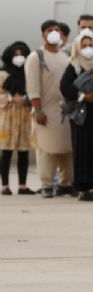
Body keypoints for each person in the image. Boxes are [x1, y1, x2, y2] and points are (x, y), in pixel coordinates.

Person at [60, 35, 93, 201]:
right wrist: (83, 96)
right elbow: (65, 88)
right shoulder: (74, 66)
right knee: (84, 149)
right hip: (83, 115)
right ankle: (84, 188)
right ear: (77, 47)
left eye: (91, 45)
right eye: (84, 45)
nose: (88, 48)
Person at [27, 20, 73, 198]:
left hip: (65, 110)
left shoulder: (65, 56)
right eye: (49, 30)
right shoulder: (36, 56)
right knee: (47, 149)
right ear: (43, 34)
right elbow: (33, 86)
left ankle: (66, 183)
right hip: (45, 109)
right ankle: (46, 184)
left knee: (67, 148)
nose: (54, 33)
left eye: (57, 30)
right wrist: (38, 110)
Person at [0, 42, 35, 195]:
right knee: (6, 152)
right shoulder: (2, 74)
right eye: (16, 55)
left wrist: (25, 99)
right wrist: (10, 98)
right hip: (7, 116)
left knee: (23, 152)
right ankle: (5, 185)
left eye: (22, 55)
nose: (19, 58)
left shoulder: (28, 73)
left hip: (25, 116)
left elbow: (34, 91)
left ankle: (22, 185)